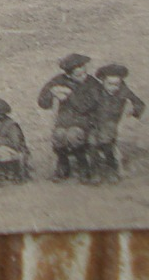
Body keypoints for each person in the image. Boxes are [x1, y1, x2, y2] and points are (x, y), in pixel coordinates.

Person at [37, 53, 103, 183]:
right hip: (64, 121)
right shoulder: (59, 80)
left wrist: (69, 94)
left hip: (86, 121)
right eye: (78, 75)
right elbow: (42, 102)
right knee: (59, 134)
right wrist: (52, 92)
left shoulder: (92, 83)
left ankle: (82, 164)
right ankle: (63, 164)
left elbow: (86, 107)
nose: (83, 77)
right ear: (68, 75)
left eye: (84, 73)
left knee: (73, 135)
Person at [90, 63, 145, 182]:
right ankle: (95, 170)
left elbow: (139, 104)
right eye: (109, 84)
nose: (113, 87)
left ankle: (111, 168)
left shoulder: (123, 91)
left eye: (117, 84)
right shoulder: (96, 92)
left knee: (106, 137)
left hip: (114, 123)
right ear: (103, 81)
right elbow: (86, 107)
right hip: (96, 123)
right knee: (92, 140)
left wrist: (133, 109)